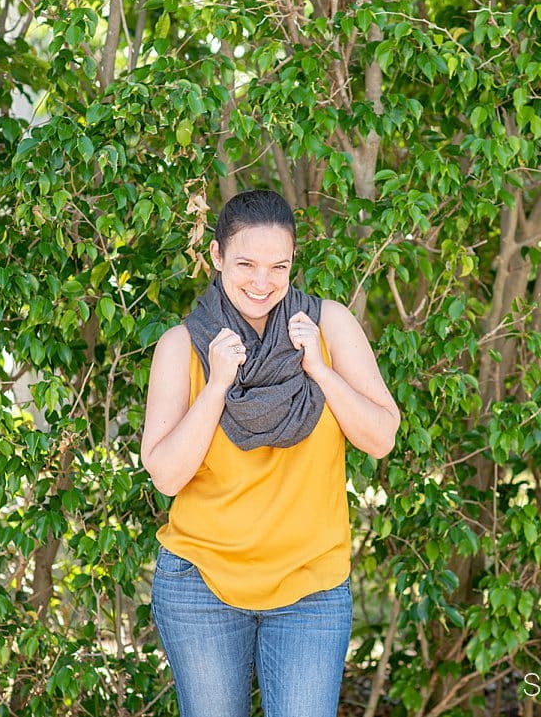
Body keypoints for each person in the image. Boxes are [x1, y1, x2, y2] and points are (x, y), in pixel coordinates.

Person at [140, 189, 401, 717]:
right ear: (216, 257)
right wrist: (217, 386)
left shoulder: (327, 326)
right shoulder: (181, 346)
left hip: (311, 584)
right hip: (203, 584)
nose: (263, 282)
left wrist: (320, 369)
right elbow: (166, 475)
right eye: (247, 264)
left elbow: (381, 437)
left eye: (278, 266)